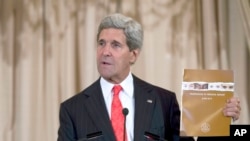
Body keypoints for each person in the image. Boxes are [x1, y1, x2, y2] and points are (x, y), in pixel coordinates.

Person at [57, 13, 241, 141]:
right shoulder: (73, 109)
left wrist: (221, 121)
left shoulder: (164, 102)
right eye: (101, 43)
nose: (105, 51)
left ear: (133, 55)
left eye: (115, 45)